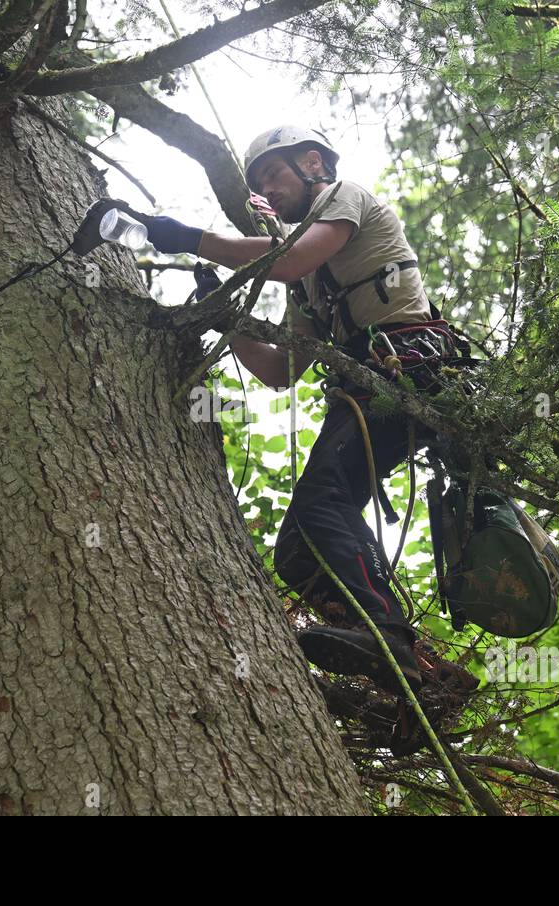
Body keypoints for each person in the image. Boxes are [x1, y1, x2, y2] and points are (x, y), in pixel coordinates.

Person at [132, 125, 440, 693]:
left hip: (409, 366)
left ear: (312, 162)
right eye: (258, 185)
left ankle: (387, 634)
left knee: (326, 495)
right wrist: (220, 314)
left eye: (272, 175)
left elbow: (289, 259)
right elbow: (280, 371)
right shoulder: (310, 289)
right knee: (296, 550)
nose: (267, 192)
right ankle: (414, 667)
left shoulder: (347, 197)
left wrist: (192, 238)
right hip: (365, 386)